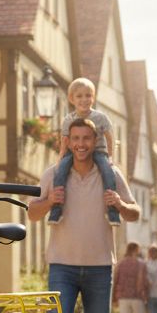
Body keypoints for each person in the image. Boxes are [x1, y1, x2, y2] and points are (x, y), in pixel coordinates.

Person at [29, 118, 141, 313]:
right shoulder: (54, 174)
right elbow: (33, 212)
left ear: (95, 141)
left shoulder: (111, 175)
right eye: (75, 138)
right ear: (67, 140)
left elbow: (135, 212)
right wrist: (50, 200)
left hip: (100, 266)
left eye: (86, 138)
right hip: (62, 265)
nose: (81, 144)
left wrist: (118, 202)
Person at [48, 78, 120, 226]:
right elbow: (65, 140)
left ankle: (113, 212)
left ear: (93, 97)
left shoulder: (100, 117)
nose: (84, 99)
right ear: (71, 99)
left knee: (108, 172)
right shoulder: (68, 119)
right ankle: (56, 211)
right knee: (60, 172)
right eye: (79, 96)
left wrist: (111, 156)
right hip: (73, 153)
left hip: (98, 151)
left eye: (88, 95)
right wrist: (61, 157)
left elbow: (109, 137)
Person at [113, 242, 149, 313]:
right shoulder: (141, 264)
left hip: (122, 297)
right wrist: (146, 295)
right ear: (136, 250)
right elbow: (144, 281)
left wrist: (114, 297)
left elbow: (115, 280)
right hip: (137, 296)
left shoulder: (120, 264)